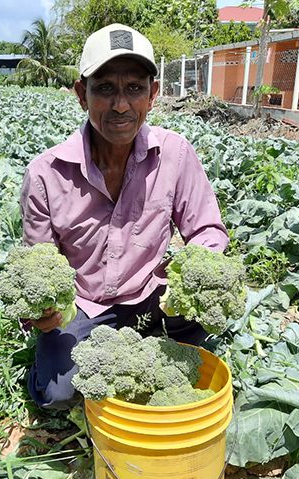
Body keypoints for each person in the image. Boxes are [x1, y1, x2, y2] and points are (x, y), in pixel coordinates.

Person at [20, 23, 229, 409]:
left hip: (155, 296)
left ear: (153, 94)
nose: (120, 105)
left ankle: (147, 344)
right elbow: (38, 264)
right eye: (105, 89)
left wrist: (196, 270)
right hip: (85, 304)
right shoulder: (45, 174)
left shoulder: (176, 154)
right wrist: (43, 312)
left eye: (134, 88)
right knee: (58, 393)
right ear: (82, 95)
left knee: (196, 349)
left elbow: (207, 229)